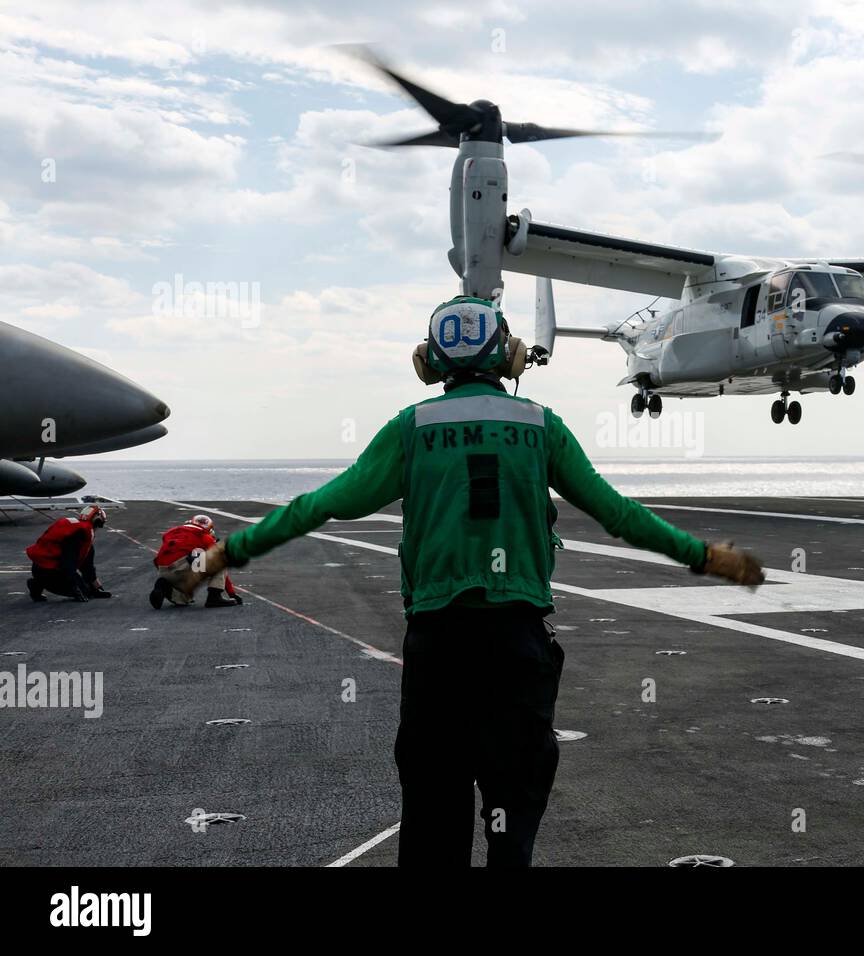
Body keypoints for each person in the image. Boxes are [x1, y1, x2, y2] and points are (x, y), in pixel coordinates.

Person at [183, 295, 764, 867]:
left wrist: (222, 554)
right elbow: (618, 514)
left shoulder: (411, 427)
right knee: (514, 811)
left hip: (439, 647)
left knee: (435, 812)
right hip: (517, 645)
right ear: (508, 354)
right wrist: (704, 555)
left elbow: (318, 506)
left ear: (430, 361)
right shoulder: (540, 424)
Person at [148, 514, 242, 609]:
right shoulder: (204, 536)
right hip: (181, 566)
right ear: (208, 529)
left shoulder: (171, 532)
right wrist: (231, 593)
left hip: (162, 570)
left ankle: (164, 587)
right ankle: (215, 597)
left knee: (184, 600)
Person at [25, 504, 113, 602]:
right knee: (85, 591)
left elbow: (87, 567)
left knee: (88, 590)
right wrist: (75, 587)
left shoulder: (75, 529)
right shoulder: (80, 534)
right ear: (97, 522)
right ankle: (36, 583)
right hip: (50, 571)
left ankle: (38, 583)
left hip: (38, 567)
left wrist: (97, 588)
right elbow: (68, 561)